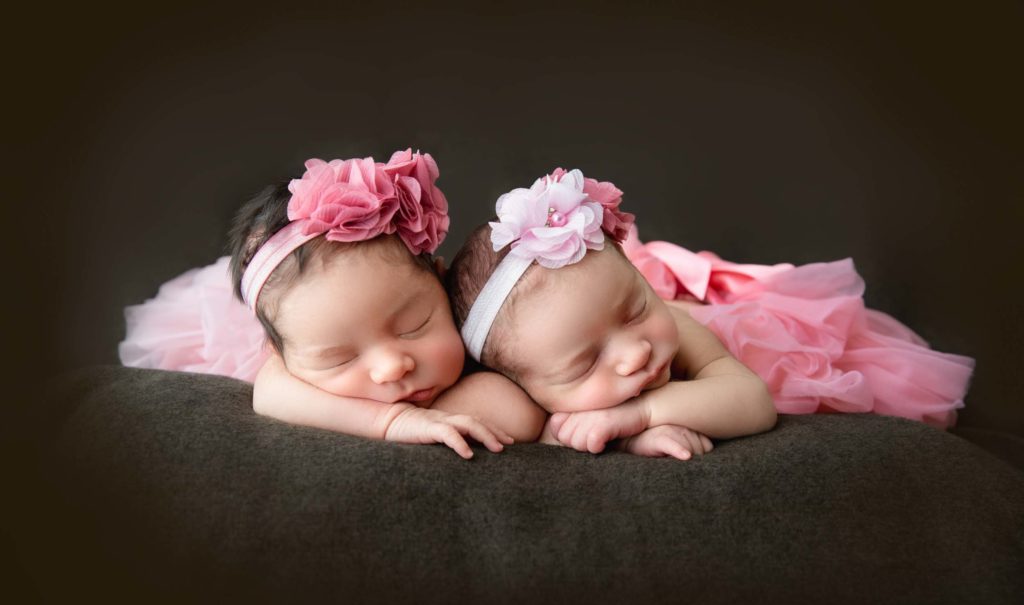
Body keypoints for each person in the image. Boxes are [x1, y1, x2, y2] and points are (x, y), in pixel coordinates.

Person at [446, 168, 975, 456]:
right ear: (527, 386)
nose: (636, 352)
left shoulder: (673, 325)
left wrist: (642, 414)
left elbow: (750, 402)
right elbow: (557, 432)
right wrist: (634, 441)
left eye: (634, 310)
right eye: (585, 366)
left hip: (753, 341)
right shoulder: (526, 393)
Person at [120, 151, 542, 459]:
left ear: (441, 279)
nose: (392, 367)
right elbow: (268, 393)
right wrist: (392, 423)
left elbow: (518, 413)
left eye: (413, 326)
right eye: (339, 358)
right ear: (280, 357)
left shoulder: (483, 332)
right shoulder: (288, 360)